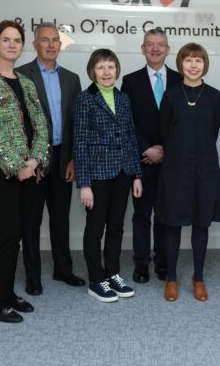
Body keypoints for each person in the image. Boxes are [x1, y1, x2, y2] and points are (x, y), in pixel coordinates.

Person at [0, 20, 50, 323]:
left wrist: (34, 161)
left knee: (17, 234)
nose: (12, 45)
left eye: (17, 40)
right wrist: (17, 166)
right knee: (6, 236)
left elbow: (41, 125)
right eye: (6, 40)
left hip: (29, 171)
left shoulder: (26, 82)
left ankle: (6, 293)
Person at [17, 22, 84, 296]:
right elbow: (18, 124)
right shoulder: (21, 75)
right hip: (33, 160)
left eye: (55, 40)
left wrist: (73, 159)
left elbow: (76, 124)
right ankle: (33, 276)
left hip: (62, 157)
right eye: (45, 40)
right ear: (34, 45)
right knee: (31, 221)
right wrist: (30, 160)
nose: (51, 44)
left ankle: (63, 269)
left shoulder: (71, 78)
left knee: (60, 218)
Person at [74, 49, 143, 303]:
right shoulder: (85, 99)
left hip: (124, 172)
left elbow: (131, 137)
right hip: (98, 175)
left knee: (116, 226)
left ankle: (113, 273)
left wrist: (136, 174)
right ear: (92, 71)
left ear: (117, 70)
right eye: (101, 67)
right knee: (95, 228)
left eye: (111, 67)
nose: (106, 72)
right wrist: (84, 184)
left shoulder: (123, 98)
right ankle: (96, 279)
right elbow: (79, 143)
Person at [156, 43, 220, 302]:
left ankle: (199, 277)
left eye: (198, 61)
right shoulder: (171, 95)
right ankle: (171, 277)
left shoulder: (214, 95)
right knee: (172, 223)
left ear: (205, 64)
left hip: (205, 168)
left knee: (200, 221)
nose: (193, 66)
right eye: (188, 61)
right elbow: (165, 131)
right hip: (175, 168)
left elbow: (214, 130)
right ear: (180, 64)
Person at [121, 28, 182, 284]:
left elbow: (184, 123)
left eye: (160, 45)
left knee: (166, 215)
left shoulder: (181, 80)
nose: (155, 49)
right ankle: (141, 264)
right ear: (142, 48)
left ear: (168, 50)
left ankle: (163, 262)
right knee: (142, 215)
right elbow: (127, 121)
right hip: (142, 160)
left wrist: (166, 150)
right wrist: (147, 148)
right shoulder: (130, 80)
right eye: (150, 44)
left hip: (172, 161)